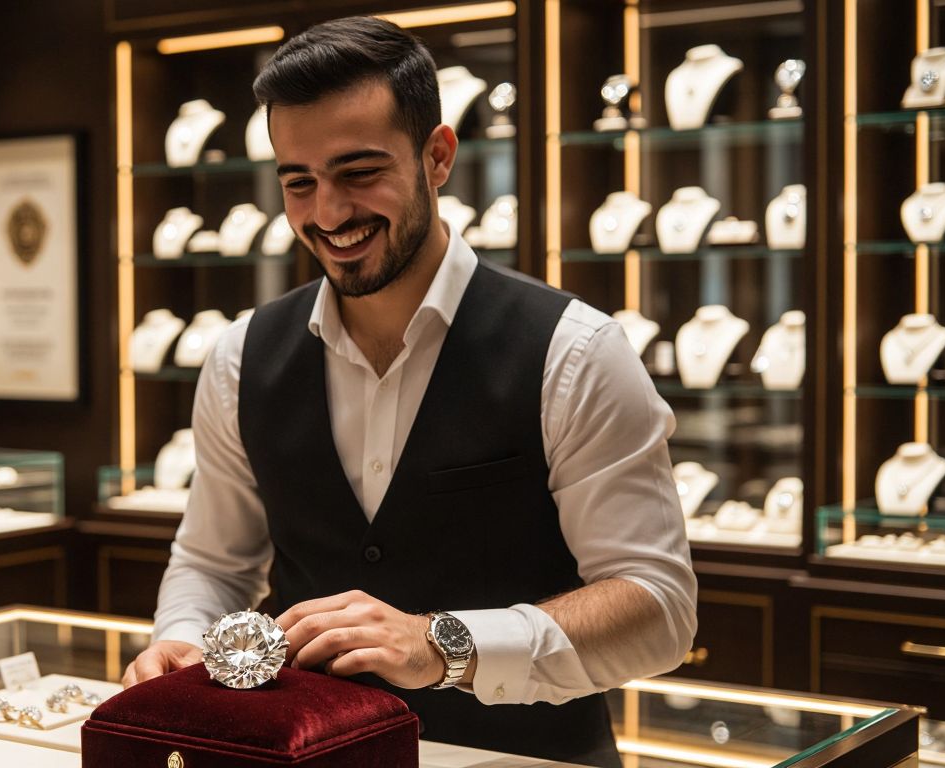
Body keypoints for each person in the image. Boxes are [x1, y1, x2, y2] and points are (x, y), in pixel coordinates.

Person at [124, 16, 697, 767]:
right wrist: (182, 640)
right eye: (299, 181)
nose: (328, 214)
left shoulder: (574, 351)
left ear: (438, 156)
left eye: (359, 172)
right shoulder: (239, 358)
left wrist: (442, 643)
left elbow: (658, 606)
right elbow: (214, 562)